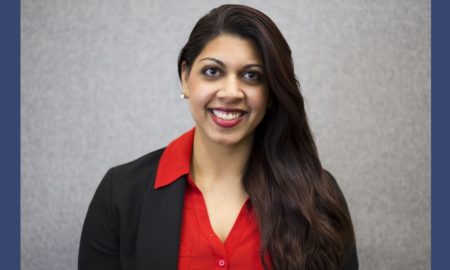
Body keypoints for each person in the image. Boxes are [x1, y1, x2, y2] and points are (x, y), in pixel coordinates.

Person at [78, 4, 358, 270]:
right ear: (186, 78)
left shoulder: (318, 195)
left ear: (271, 92)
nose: (230, 92)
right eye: (212, 72)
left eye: (251, 75)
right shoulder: (121, 194)